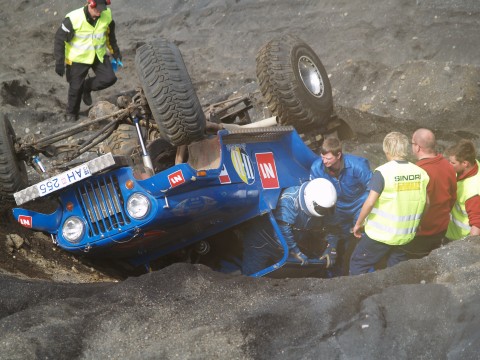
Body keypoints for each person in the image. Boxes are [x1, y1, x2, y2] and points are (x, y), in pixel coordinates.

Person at [349, 132, 430, 275]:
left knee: (358, 263)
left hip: (380, 235)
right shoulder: (420, 173)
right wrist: (418, 224)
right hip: (406, 235)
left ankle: (361, 296)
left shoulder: (383, 172)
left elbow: (370, 202)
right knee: (395, 271)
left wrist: (358, 224)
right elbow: (427, 203)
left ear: (387, 150)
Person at [240, 178, 340, 276]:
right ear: (311, 201)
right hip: (263, 240)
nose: (325, 212)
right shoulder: (289, 200)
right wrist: (295, 252)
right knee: (252, 277)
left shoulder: (326, 206)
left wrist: (332, 248)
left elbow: (334, 228)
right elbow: (282, 230)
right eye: (322, 209)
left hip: (290, 243)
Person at [310, 137, 372, 275]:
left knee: (361, 236)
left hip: (358, 205)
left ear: (339, 155)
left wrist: (364, 212)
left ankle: (367, 272)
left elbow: (372, 189)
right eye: (322, 158)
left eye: (328, 158)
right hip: (336, 207)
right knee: (338, 235)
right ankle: (338, 270)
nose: (324, 162)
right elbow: (315, 190)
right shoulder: (316, 168)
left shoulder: (358, 165)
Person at [54, 0, 122, 121]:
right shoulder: (73, 18)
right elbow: (59, 39)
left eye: (102, 9)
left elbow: (110, 37)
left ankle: (87, 87)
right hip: (78, 58)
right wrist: (59, 62)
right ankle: (71, 114)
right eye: (97, 10)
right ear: (89, 4)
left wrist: (116, 53)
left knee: (110, 78)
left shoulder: (107, 15)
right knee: (75, 88)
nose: (99, 13)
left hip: (98, 55)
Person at [401, 128, 457, 258]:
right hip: (442, 228)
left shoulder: (416, 172)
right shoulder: (448, 165)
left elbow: (410, 205)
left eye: (412, 143)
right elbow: (453, 196)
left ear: (417, 147)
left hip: (420, 233)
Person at [444, 139, 480, 241]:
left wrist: (468, 249)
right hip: (451, 232)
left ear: (465, 163)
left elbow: (477, 223)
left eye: (453, 163)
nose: (449, 165)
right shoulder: (475, 164)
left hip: (459, 240)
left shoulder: (473, 191)